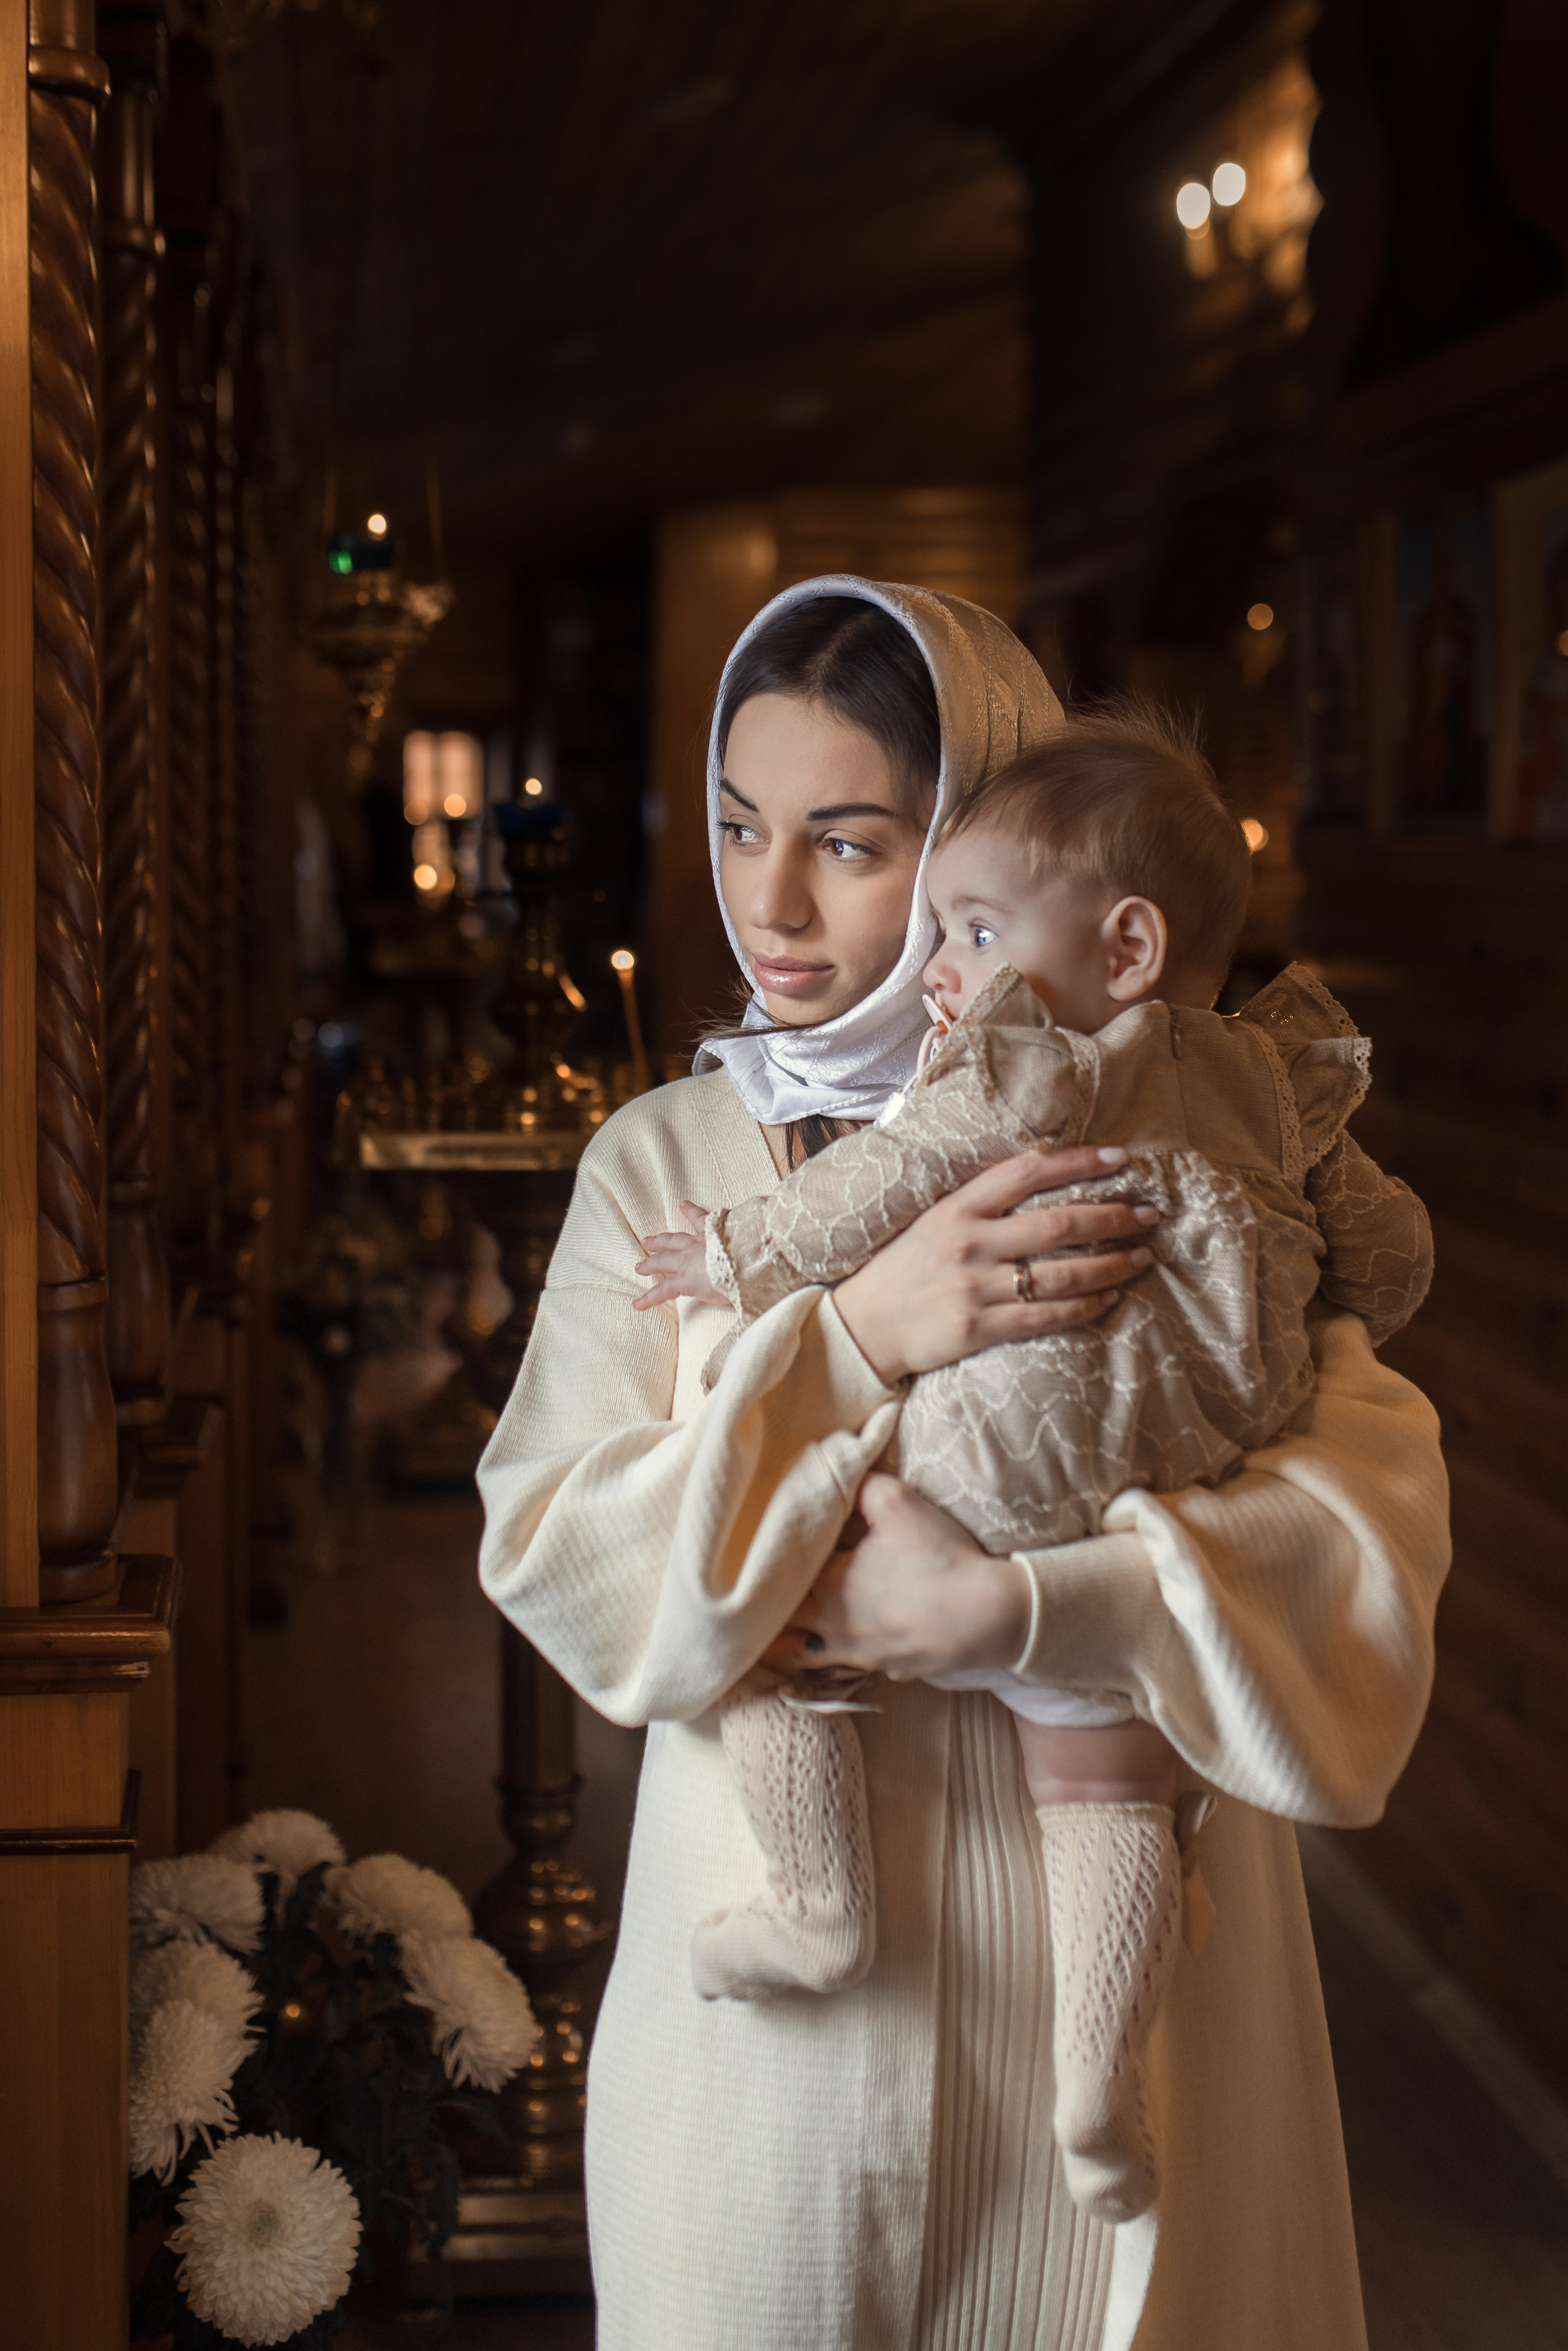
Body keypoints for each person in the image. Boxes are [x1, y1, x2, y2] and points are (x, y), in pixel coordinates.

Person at [476, 578, 1450, 2351]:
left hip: (1141, 2057)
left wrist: (1028, 1611)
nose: (773, 902)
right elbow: (557, 1545)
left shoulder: (1192, 1131)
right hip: (786, 2081)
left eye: (851, 844)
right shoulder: (670, 1164)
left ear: (971, 845)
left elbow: (1357, 1545)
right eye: (740, 827)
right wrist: (861, 1331)